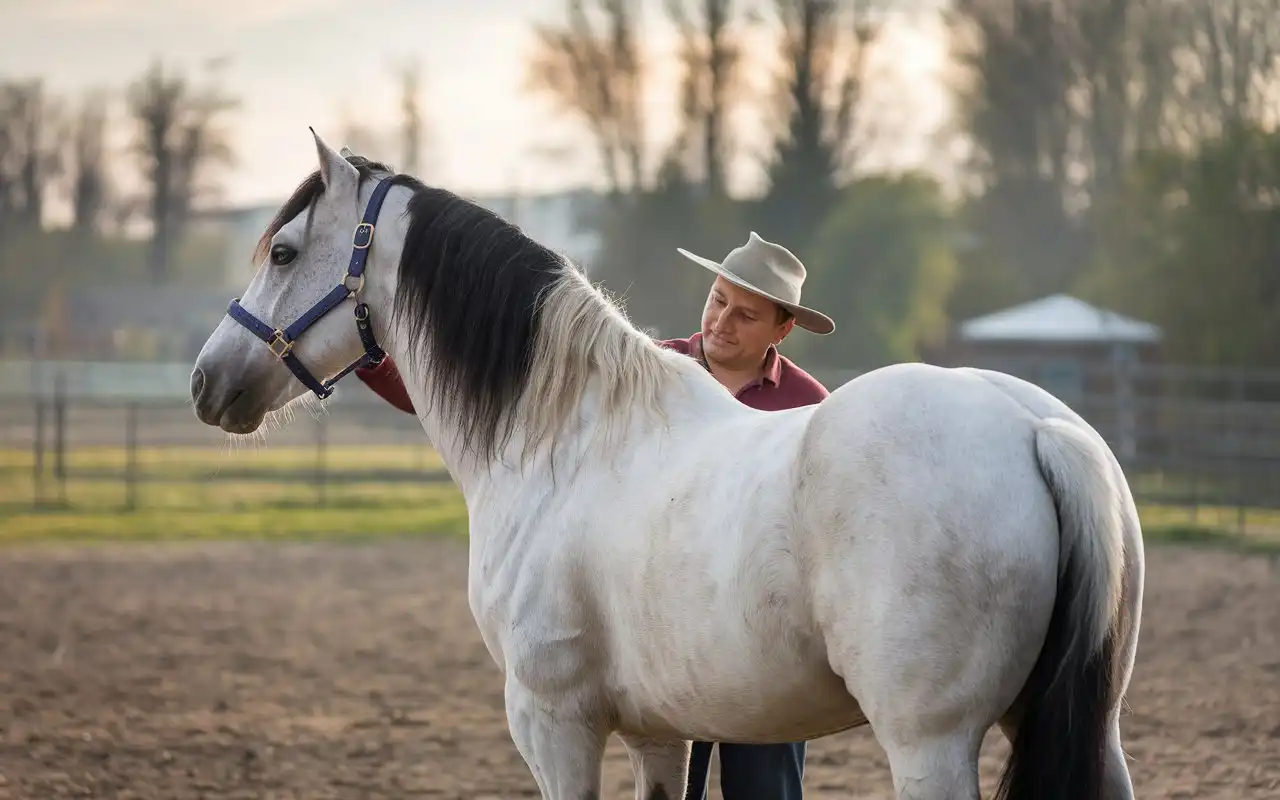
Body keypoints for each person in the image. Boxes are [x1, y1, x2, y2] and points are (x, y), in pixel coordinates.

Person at [353, 230, 835, 800]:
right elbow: (454, 392)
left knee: (767, 789)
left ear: (782, 330)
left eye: (746, 315)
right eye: (718, 299)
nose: (722, 321)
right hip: (665, 612)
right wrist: (370, 355)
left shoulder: (810, 414)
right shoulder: (652, 370)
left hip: (760, 621)